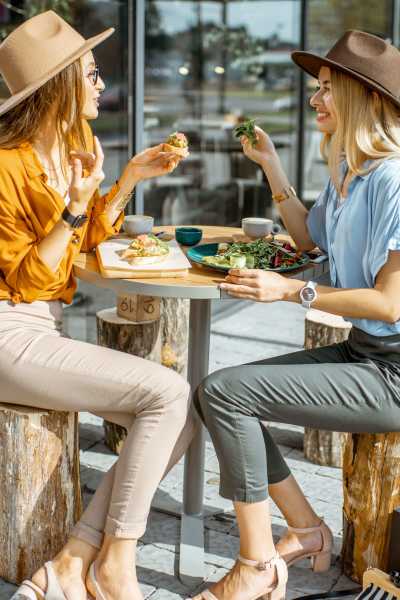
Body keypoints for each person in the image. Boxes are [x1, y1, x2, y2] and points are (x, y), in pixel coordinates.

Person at [192, 30, 400, 600]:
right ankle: (307, 531)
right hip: (366, 353)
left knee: (228, 394)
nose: (315, 100)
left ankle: (257, 566)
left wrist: (290, 293)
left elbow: (390, 303)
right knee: (222, 392)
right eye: (317, 88)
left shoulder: (394, 180)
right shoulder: (349, 172)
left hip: (395, 372)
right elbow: (312, 239)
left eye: (328, 89)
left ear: (367, 98)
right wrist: (272, 166)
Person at [1, 11, 195, 600]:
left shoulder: (75, 144)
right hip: (9, 330)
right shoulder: (6, 167)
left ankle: (76, 561)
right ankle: (110, 567)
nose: (101, 85)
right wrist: (74, 207)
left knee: (181, 409)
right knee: (169, 396)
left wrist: (131, 174)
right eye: (89, 74)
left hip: (40, 327)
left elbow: (89, 241)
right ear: (59, 85)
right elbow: (31, 279)